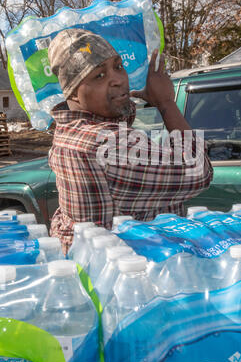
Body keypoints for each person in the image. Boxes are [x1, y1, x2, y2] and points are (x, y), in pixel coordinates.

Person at [47, 28, 213, 255]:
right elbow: (198, 170)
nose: (118, 79)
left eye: (118, 66)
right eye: (99, 75)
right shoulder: (108, 144)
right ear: (73, 93)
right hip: (132, 274)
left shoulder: (68, 131)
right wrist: (166, 103)